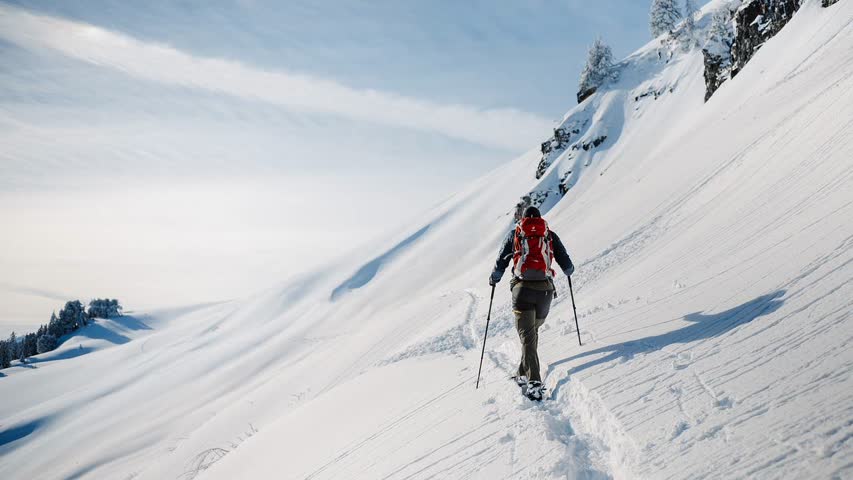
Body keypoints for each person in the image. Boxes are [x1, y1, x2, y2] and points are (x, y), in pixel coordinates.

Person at [489, 206, 574, 401]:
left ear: (523, 219)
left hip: (522, 290)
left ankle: (534, 383)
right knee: (531, 334)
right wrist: (568, 270)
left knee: (528, 337)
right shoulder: (549, 235)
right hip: (545, 291)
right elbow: (567, 264)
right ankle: (521, 373)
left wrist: (494, 278)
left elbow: (501, 260)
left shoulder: (516, 234)